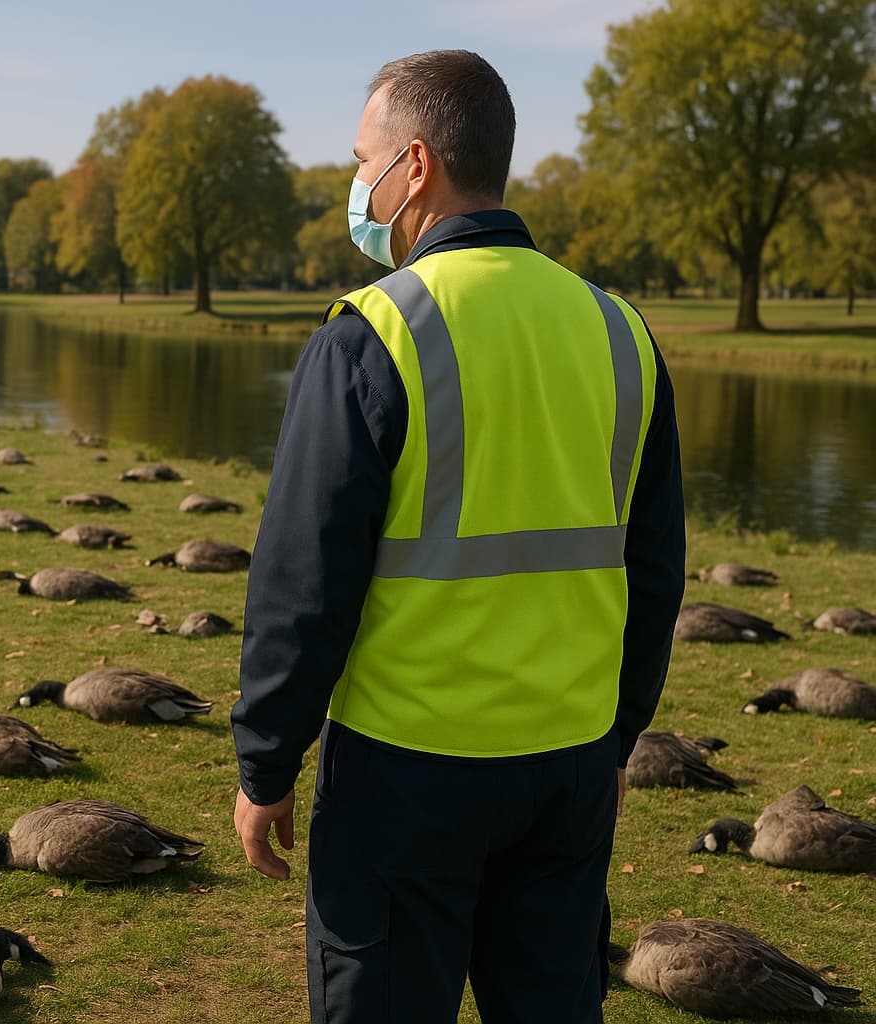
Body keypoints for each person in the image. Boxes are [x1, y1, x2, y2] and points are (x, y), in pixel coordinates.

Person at [230, 50, 685, 1024]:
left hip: (406, 769)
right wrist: (619, 735)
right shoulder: (621, 333)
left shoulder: (373, 332)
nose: (358, 183)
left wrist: (266, 760)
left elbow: (304, 579)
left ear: (416, 165)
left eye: (363, 160)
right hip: (568, 766)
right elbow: (655, 573)